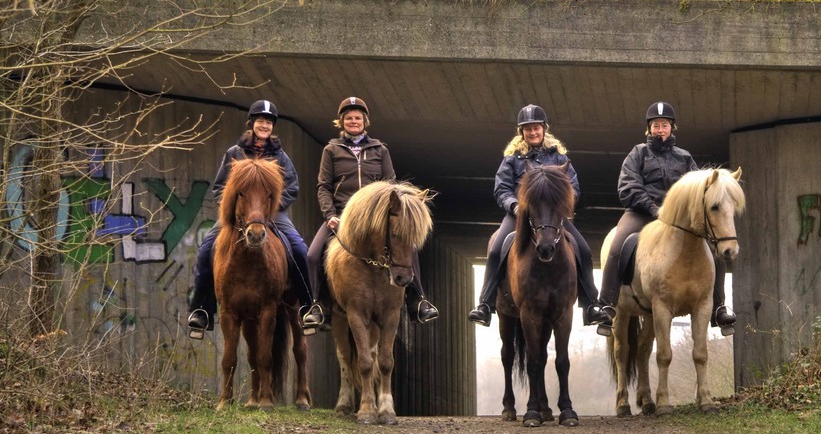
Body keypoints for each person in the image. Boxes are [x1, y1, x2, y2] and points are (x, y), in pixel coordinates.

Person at [596, 101, 737, 335]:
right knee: (617, 246)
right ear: (648, 129)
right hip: (642, 213)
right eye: (655, 125)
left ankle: (719, 308)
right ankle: (606, 305)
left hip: (679, 220)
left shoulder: (684, 158)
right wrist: (653, 208)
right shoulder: (638, 153)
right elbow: (628, 186)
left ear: (672, 128)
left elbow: (700, 188)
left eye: (664, 125)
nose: (660, 129)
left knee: (715, 250)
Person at [467, 104, 613, 329]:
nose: (532, 132)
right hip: (519, 215)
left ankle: (591, 304)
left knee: (583, 250)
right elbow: (501, 189)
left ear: (544, 129)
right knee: (497, 248)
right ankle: (485, 304)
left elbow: (573, 188)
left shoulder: (558, 157)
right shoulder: (512, 159)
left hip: (553, 218)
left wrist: (560, 205)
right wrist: (515, 206)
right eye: (527, 129)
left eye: (536, 128)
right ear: (521, 132)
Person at [305, 97, 439, 329]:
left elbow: (392, 185)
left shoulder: (380, 150)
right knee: (313, 256)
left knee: (408, 246)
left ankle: (419, 300)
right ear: (341, 122)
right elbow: (324, 186)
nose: (353, 121)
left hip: (374, 217)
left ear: (365, 121)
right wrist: (329, 215)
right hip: (341, 215)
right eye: (349, 118)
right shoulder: (332, 150)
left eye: (357, 117)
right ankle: (319, 305)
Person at [187, 100, 316, 338]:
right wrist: (234, 209)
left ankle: (308, 307)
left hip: (271, 213)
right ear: (252, 123)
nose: (264, 125)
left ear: (272, 126)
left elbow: (292, 187)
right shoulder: (234, 153)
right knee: (206, 248)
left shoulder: (280, 157)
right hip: (238, 216)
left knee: (299, 249)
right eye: (260, 121)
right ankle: (200, 310)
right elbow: (219, 188)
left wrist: (270, 206)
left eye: (268, 122)